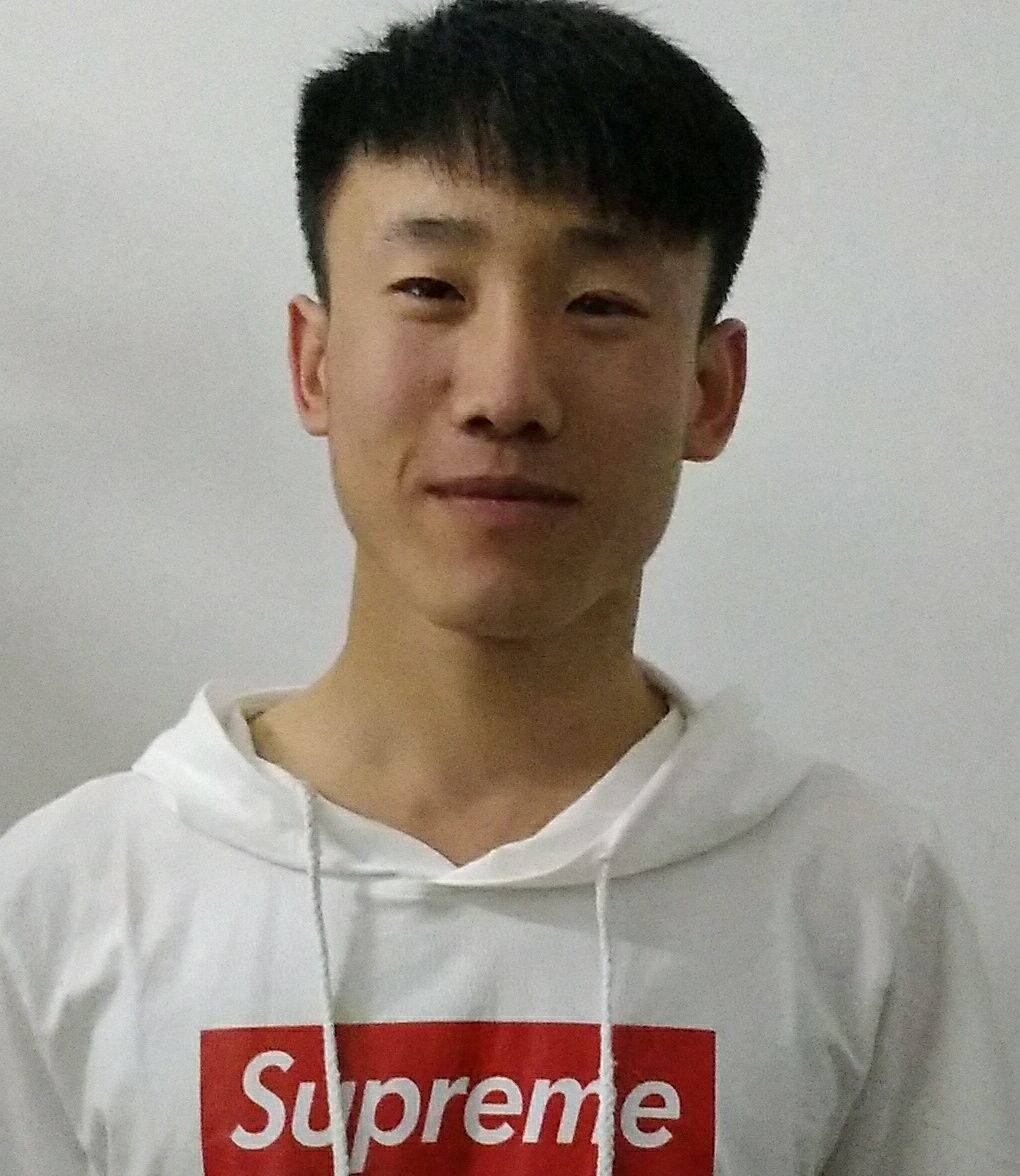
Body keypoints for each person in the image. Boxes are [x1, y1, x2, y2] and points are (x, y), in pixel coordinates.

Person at [1, 0, 1016, 1172]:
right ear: (314, 363)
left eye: (599, 306)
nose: (506, 393)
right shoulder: (74, 902)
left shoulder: (857, 900)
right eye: (432, 290)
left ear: (711, 390)